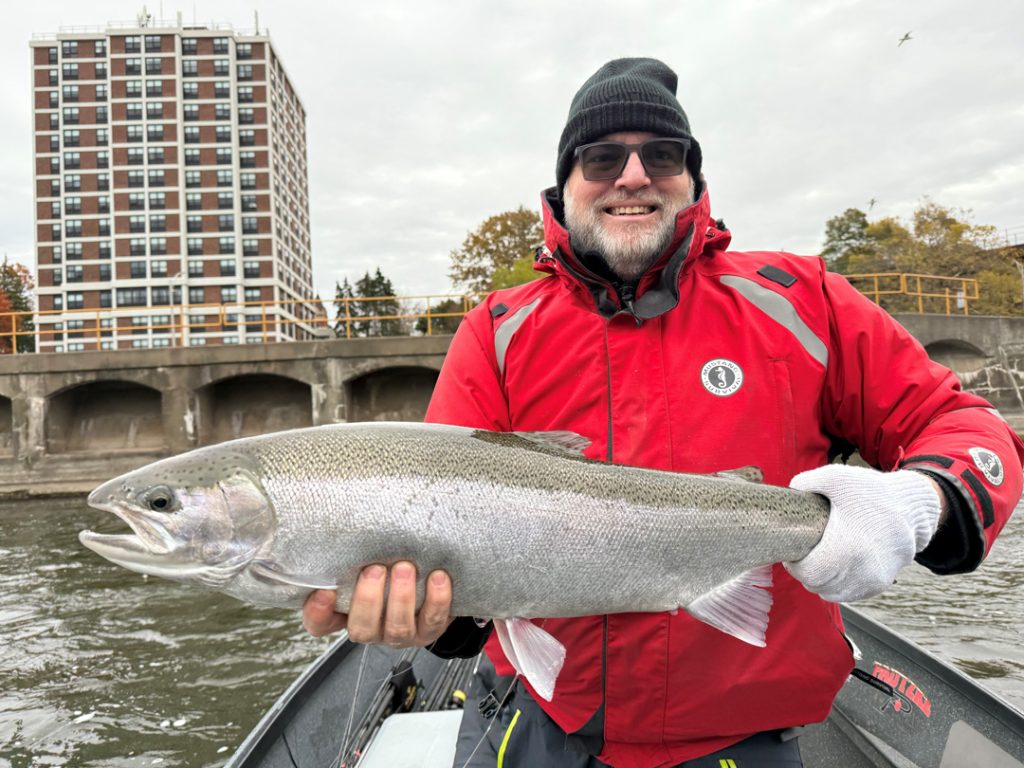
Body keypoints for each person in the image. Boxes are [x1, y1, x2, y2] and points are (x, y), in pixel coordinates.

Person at [303, 58, 1024, 767]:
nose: (634, 174)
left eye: (663, 153)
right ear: (566, 183)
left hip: (743, 740)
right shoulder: (494, 330)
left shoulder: (804, 301)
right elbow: (451, 538)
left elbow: (968, 429)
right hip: (533, 725)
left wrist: (921, 501)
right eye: (602, 155)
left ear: (693, 177)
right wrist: (433, 616)